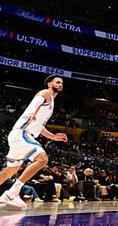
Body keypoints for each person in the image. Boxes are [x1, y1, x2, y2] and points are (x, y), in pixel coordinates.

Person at [0, 75, 68, 209]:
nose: (60, 84)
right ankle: (12, 193)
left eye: (62, 83)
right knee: (42, 159)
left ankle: (10, 194)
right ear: (49, 84)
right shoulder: (46, 93)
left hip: (19, 135)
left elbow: (40, 126)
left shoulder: (51, 103)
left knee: (10, 171)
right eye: (57, 82)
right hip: (22, 133)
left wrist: (53, 136)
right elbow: (36, 102)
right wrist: (31, 113)